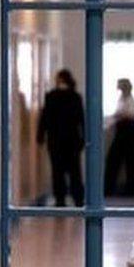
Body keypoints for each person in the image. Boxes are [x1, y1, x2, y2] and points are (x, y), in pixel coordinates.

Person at [37, 69, 85, 207]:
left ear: (59, 80)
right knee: (75, 172)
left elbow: (44, 118)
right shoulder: (76, 97)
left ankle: (60, 200)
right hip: (73, 141)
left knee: (57, 172)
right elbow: (82, 119)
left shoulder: (51, 96)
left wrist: (40, 136)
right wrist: (83, 139)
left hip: (55, 140)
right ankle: (79, 200)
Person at [105, 78, 134, 196]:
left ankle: (129, 191)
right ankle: (108, 189)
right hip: (123, 129)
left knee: (129, 161)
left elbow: (130, 114)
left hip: (129, 129)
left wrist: (118, 115)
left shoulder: (129, 99)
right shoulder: (121, 99)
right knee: (113, 160)